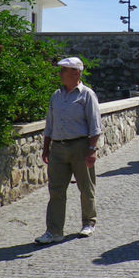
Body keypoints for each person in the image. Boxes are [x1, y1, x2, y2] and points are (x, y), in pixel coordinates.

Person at [35, 57, 102, 244]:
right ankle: (54, 231)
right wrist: (46, 147)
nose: (60, 74)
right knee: (56, 190)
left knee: (86, 187)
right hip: (58, 147)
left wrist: (92, 150)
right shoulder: (56, 96)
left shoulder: (87, 95)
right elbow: (50, 124)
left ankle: (88, 222)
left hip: (80, 146)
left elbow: (95, 126)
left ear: (76, 73)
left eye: (64, 70)